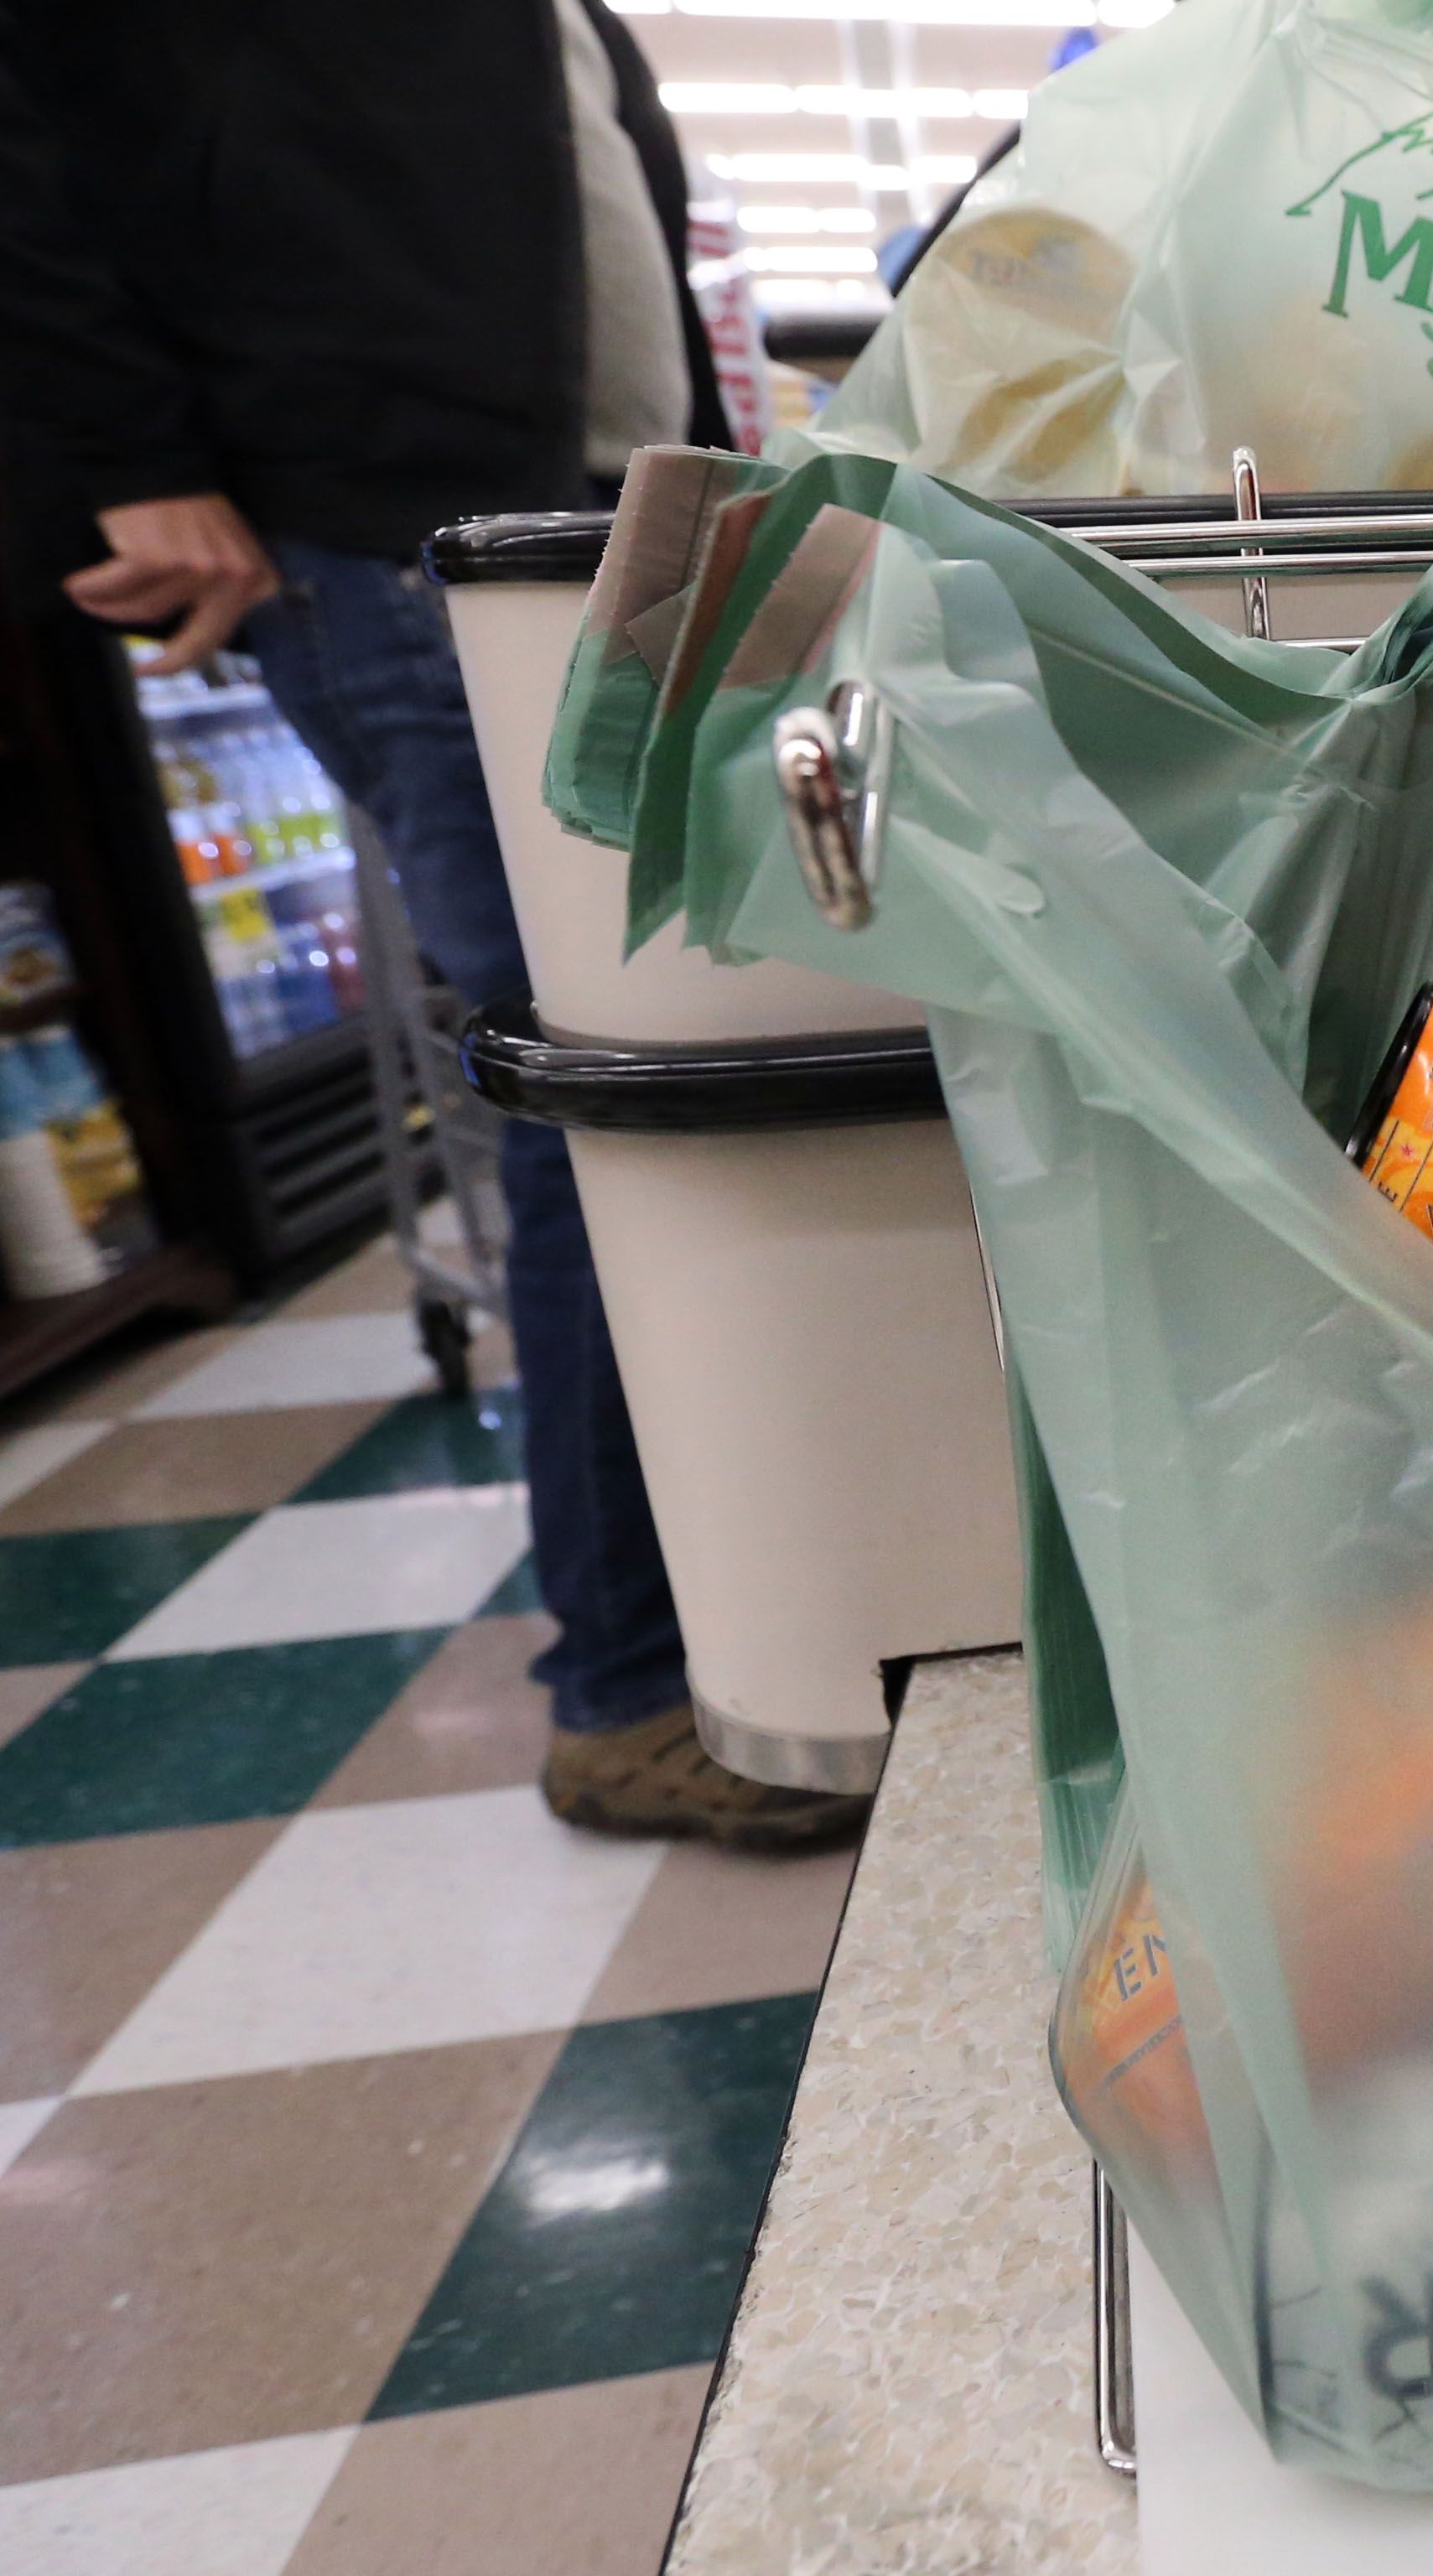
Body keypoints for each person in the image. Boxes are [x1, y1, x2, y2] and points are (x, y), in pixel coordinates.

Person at [0, 0, 864, 1852]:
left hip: (605, 530)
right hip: (404, 516)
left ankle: (737, 1615)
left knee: (665, 1077)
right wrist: (119, 442)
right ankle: (630, 1687)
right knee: (606, 1103)